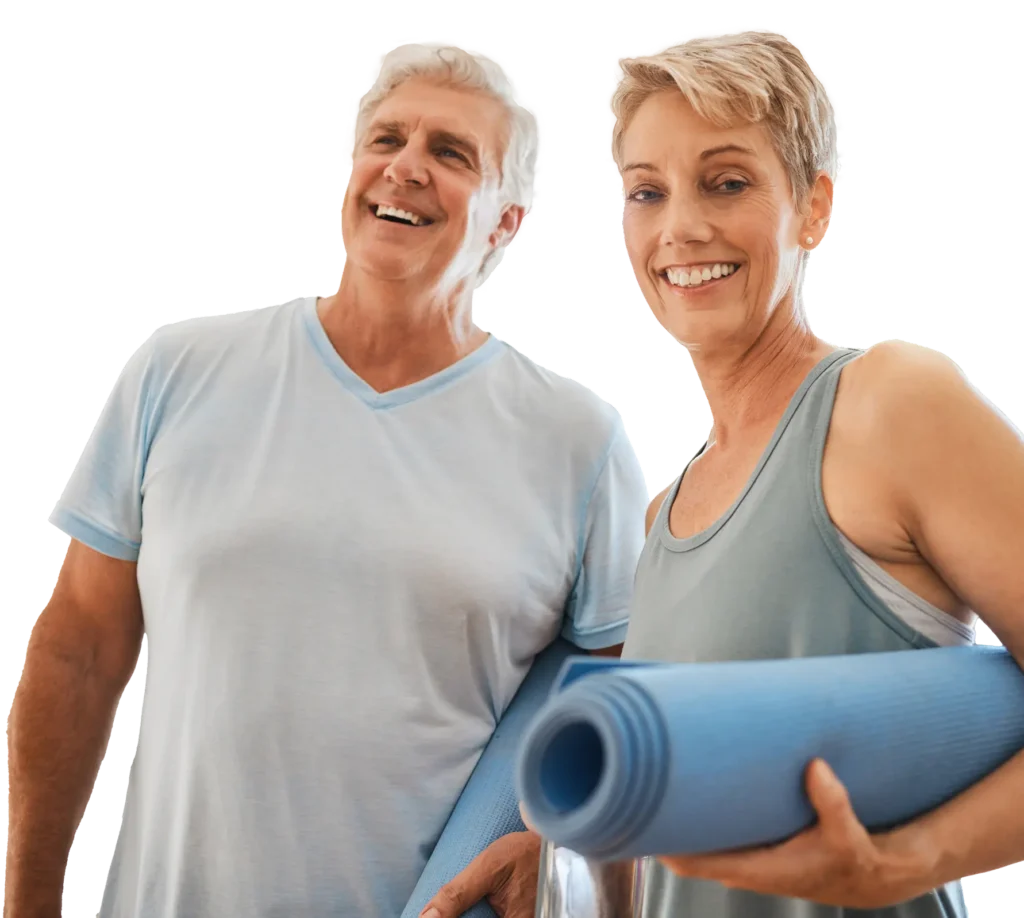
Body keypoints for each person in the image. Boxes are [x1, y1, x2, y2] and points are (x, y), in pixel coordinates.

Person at [5, 39, 649, 917]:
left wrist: (554, 841)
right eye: (387, 140)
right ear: (349, 164)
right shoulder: (178, 369)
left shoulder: (580, 440)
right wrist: (29, 902)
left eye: (452, 153)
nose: (407, 168)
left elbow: (617, 698)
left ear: (508, 221)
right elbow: (78, 649)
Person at [431, 25, 1023, 918]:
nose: (682, 227)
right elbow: (692, 830)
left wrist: (907, 862)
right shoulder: (661, 521)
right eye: (646, 192)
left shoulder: (892, 406)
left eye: (728, 181)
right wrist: (559, 856)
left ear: (814, 206)